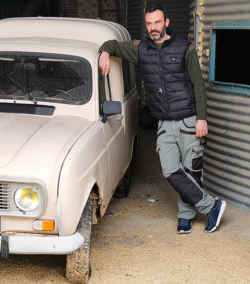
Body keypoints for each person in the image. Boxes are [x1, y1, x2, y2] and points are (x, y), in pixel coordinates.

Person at [99, 4, 226, 233]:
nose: (153, 27)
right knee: (170, 170)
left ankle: (185, 217)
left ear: (166, 22)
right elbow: (113, 45)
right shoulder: (140, 49)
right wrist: (105, 53)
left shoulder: (184, 47)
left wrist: (202, 118)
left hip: (188, 119)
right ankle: (212, 205)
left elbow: (198, 84)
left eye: (157, 22)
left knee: (191, 171)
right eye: (149, 23)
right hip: (165, 123)